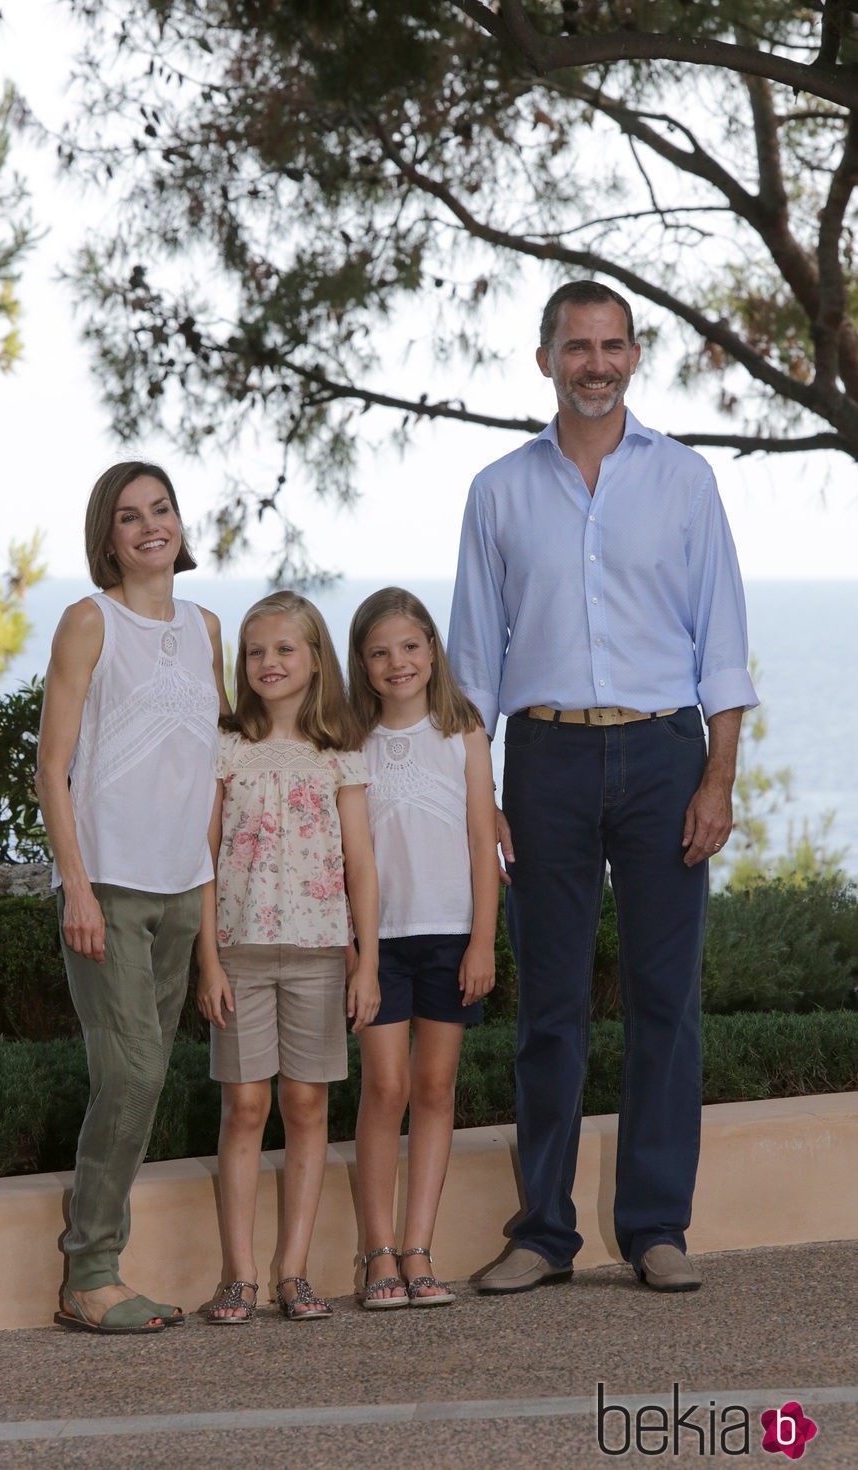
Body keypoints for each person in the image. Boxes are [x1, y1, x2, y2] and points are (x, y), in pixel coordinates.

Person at [447, 281, 758, 1295]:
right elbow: (471, 668)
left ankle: (656, 1228)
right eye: (576, 346)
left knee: (666, 1002)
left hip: (664, 755)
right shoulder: (498, 490)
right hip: (543, 763)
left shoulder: (685, 483)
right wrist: (477, 793)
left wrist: (716, 777)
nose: (594, 362)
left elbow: (721, 646)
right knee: (549, 1006)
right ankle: (541, 1234)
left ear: (633, 356)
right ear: (545, 358)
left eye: (611, 345)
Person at [36, 460, 228, 1334]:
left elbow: (206, 774)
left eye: (161, 509)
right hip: (107, 885)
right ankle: (90, 1272)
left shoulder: (207, 628)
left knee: (138, 1082)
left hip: (180, 888)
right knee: (134, 1073)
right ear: (105, 536)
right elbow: (53, 765)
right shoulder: (89, 622)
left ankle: (96, 1249)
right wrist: (74, 886)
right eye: (129, 516)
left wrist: (209, 921)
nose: (151, 525)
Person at [196, 590, 379, 1323]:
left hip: (319, 956)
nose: (267, 663)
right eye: (254, 652)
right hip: (239, 954)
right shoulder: (226, 749)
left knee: (306, 1104)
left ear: (314, 660)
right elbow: (202, 856)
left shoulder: (340, 755)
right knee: (245, 1105)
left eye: (283, 650)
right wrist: (206, 960)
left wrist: (366, 960)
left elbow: (361, 864)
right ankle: (238, 1274)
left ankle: (293, 1270)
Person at [347, 588, 498, 1309]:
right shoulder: (351, 744)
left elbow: (480, 844)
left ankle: (419, 1252)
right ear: (363, 664)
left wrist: (483, 943)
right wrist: (358, 957)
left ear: (432, 650)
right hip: (380, 943)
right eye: (380, 652)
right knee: (386, 1089)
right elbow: (351, 863)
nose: (397, 662)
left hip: (450, 938)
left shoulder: (463, 732)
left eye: (409, 647)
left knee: (435, 1091)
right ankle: (377, 1255)